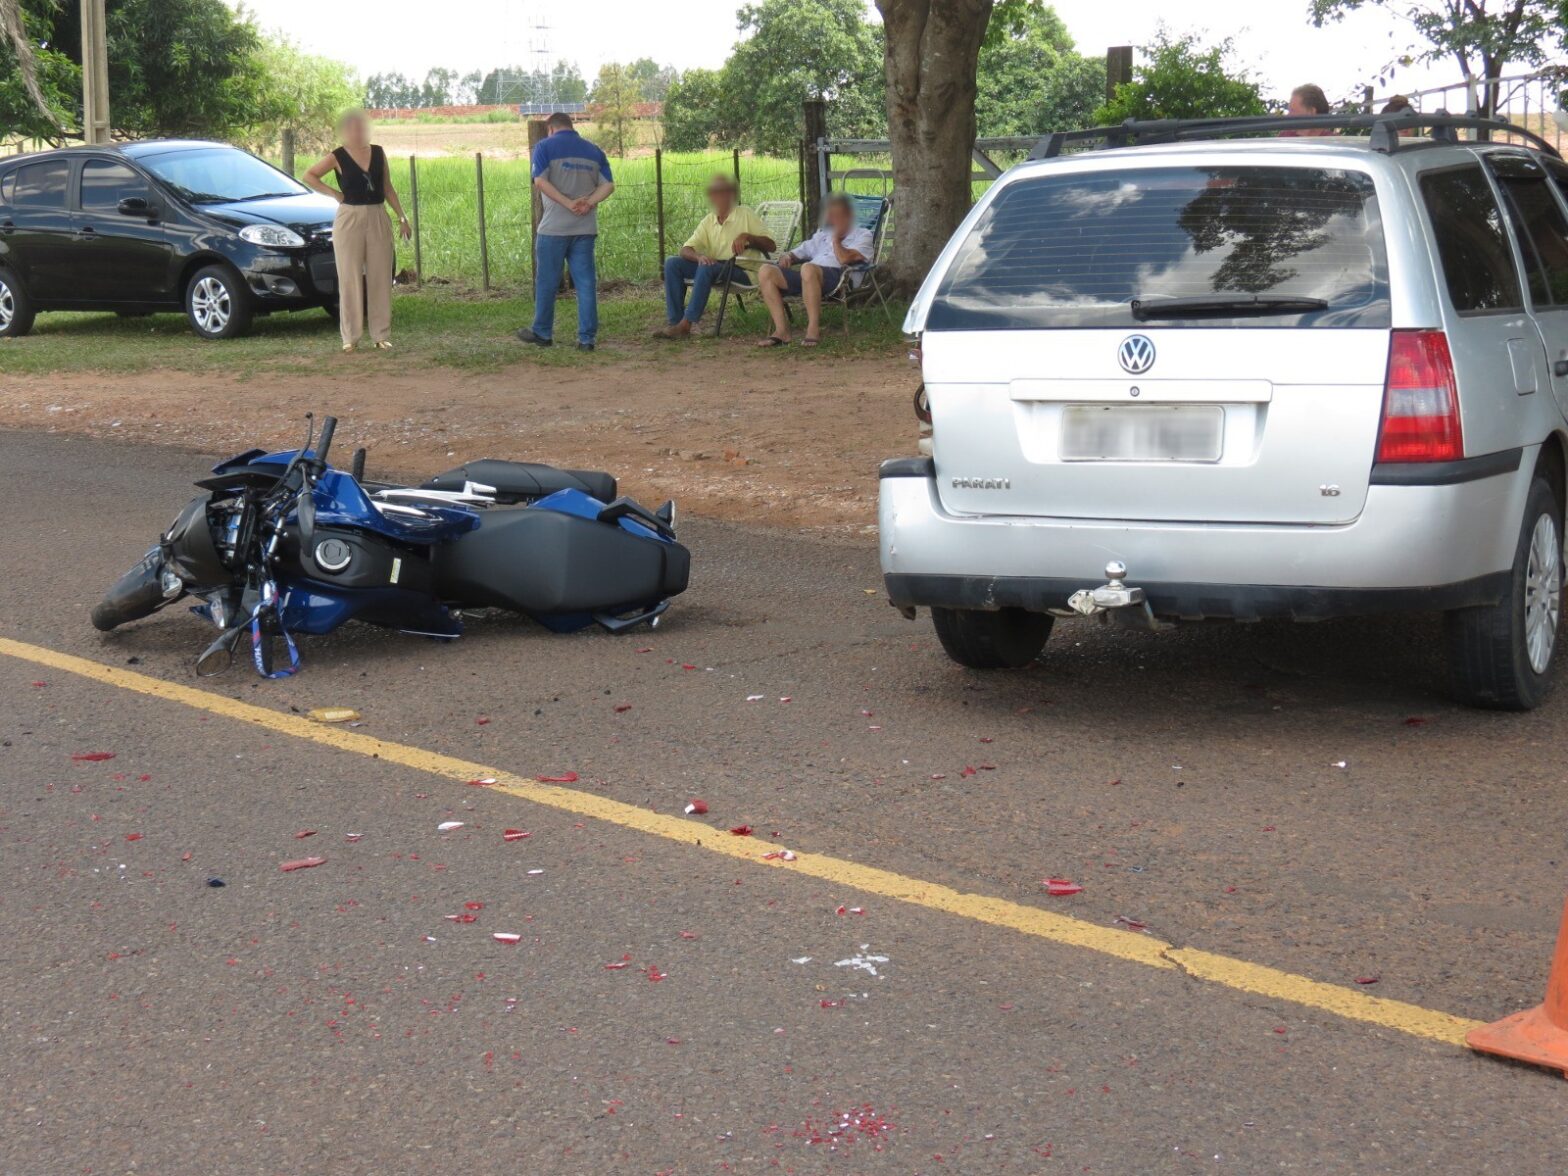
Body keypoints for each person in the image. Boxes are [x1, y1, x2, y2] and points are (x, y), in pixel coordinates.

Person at [302, 110, 411, 352]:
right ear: (344, 131)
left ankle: (381, 335)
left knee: (380, 277)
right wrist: (335, 194)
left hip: (377, 215)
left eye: (360, 126)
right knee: (349, 277)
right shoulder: (337, 156)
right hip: (349, 218)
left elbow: (387, 187)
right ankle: (350, 337)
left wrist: (403, 217)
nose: (356, 131)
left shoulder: (379, 152)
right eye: (351, 127)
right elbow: (309, 175)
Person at [516, 113, 614, 352]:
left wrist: (567, 202)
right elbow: (608, 185)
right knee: (585, 284)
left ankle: (542, 333)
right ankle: (587, 339)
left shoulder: (543, 147)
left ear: (550, 129)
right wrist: (588, 202)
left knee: (547, 282)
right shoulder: (594, 151)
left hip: (553, 229)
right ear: (572, 126)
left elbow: (540, 181)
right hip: (585, 228)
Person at [654, 175, 775, 339]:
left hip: (743, 270)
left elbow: (771, 245)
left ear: (731, 195)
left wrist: (748, 236)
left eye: (722, 192)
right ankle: (675, 322)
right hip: (715, 266)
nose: (717, 197)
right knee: (672, 263)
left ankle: (686, 325)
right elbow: (685, 249)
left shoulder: (745, 214)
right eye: (714, 193)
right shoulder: (709, 220)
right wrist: (698, 257)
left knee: (707, 267)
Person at [754, 194, 872, 348]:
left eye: (837, 216)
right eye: (831, 216)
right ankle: (781, 331)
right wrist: (788, 256)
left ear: (848, 216)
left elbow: (844, 258)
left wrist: (836, 239)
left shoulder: (863, 235)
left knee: (808, 268)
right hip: (809, 277)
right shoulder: (823, 236)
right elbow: (800, 251)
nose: (833, 220)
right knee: (766, 271)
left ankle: (813, 329)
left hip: (839, 278)